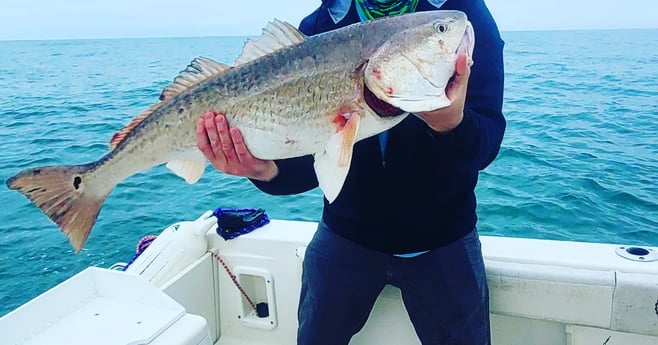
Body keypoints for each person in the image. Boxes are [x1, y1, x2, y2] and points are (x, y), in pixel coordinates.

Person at [196, 0, 505, 343]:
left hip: (445, 241)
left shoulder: (459, 17)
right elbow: (309, 162)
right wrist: (263, 170)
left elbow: (485, 144)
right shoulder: (319, 27)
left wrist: (452, 126)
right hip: (346, 238)